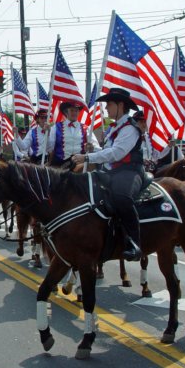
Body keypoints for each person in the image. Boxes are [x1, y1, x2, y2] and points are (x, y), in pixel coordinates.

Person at [72, 88, 145, 261]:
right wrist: (94, 149)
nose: (106, 108)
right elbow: (107, 152)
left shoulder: (130, 129)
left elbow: (116, 153)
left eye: (109, 104)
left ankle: (134, 243)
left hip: (129, 171)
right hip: (111, 171)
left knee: (122, 198)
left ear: (120, 105)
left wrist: (88, 157)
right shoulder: (115, 128)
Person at [47, 100, 99, 166]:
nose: (74, 113)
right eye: (72, 110)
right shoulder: (56, 127)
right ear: (66, 112)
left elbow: (96, 147)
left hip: (79, 163)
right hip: (60, 164)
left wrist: (92, 148)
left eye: (76, 111)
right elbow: (49, 148)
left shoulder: (85, 128)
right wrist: (47, 134)